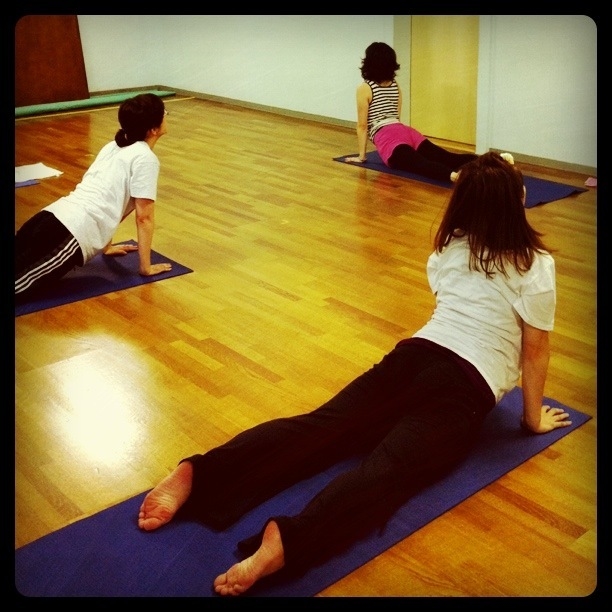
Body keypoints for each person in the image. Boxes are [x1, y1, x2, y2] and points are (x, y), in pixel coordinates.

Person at [138, 152, 572, 596]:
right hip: (463, 386)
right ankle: (288, 542)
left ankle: (200, 474)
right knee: (389, 470)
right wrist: (530, 419)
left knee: (319, 427)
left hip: (412, 357)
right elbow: (535, 349)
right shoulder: (535, 263)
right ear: (517, 200)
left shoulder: (450, 246)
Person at [15, 92, 171, 299]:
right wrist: (146, 268)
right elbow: (144, 217)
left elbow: (111, 199)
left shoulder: (113, 146)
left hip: (48, 217)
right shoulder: (145, 159)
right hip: (71, 234)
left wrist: (107, 246)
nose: (166, 116)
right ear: (153, 129)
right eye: (164, 113)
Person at [345, 41, 478, 183]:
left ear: (369, 63)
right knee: (448, 157)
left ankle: (456, 177)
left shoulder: (365, 88)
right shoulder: (395, 85)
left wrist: (362, 157)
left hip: (388, 139)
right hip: (406, 132)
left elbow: (362, 126)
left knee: (420, 165)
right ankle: (491, 161)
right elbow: (396, 116)